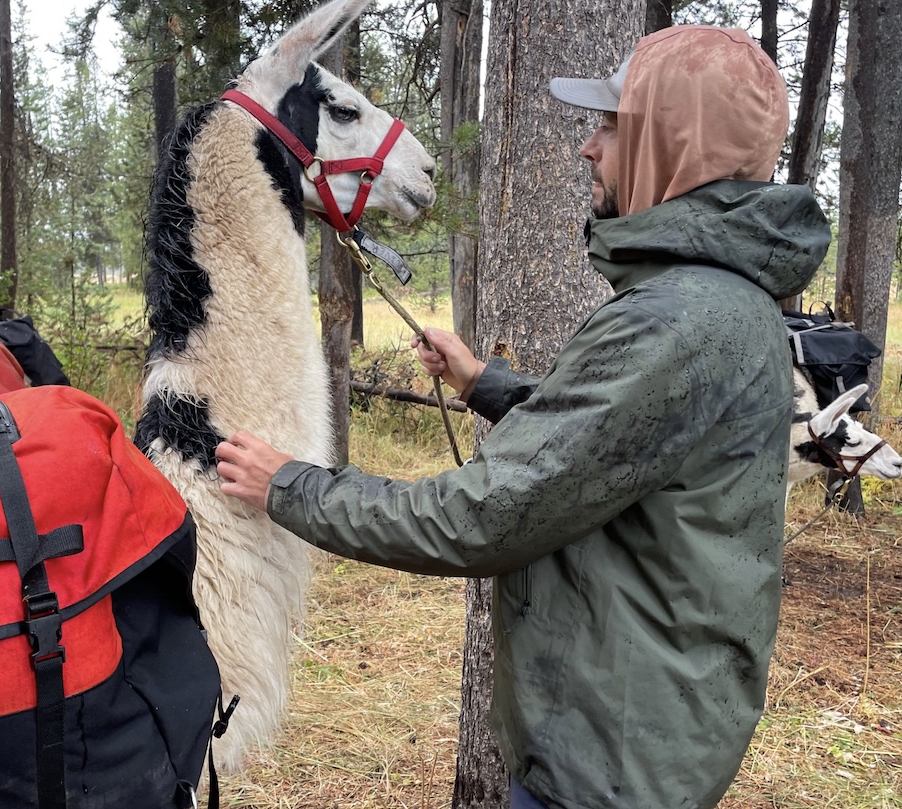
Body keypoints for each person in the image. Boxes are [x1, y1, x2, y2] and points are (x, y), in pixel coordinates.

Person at [215, 25, 831, 809]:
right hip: (646, 728)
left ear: (669, 145)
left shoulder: (674, 317)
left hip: (607, 764)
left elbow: (484, 516)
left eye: (610, 127)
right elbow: (613, 441)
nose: (587, 148)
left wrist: (291, 486)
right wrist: (485, 385)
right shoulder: (717, 299)